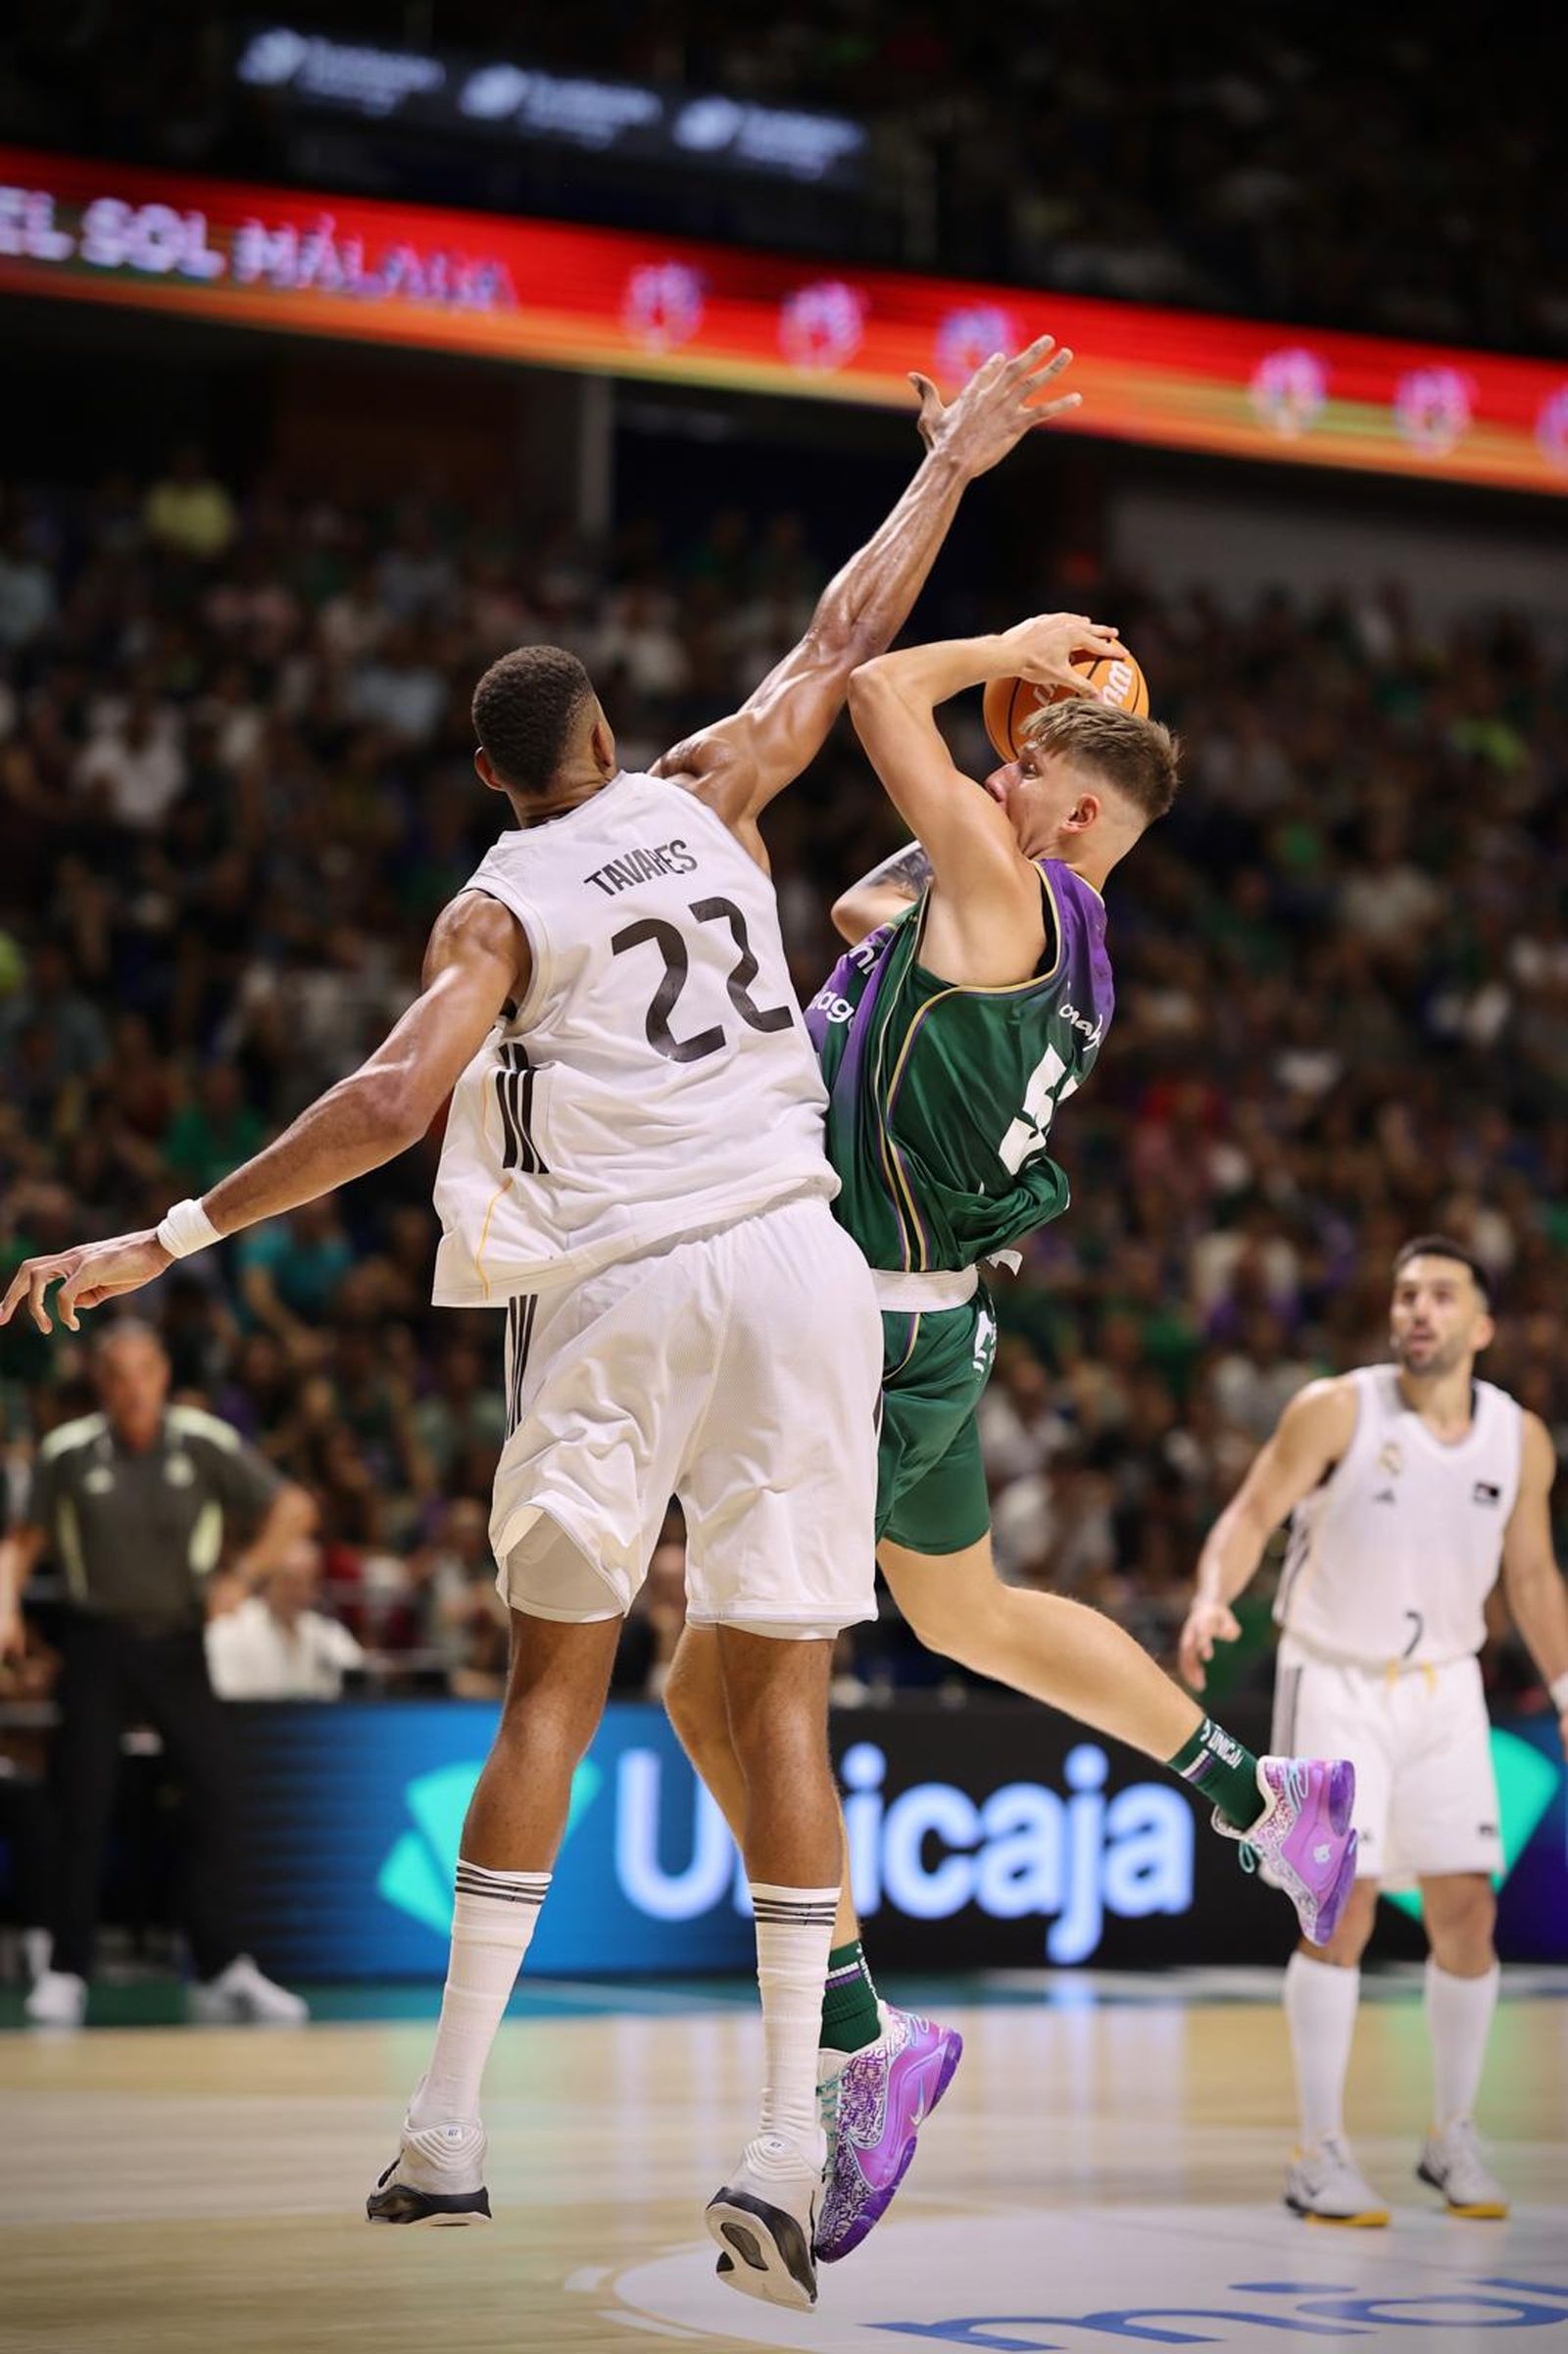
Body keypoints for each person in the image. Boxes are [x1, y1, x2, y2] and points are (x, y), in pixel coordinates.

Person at [0, 338, 1077, 2312]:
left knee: (551, 1700)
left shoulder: (495, 901)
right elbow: (842, 636)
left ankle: (446, 2132)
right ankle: (785, 2137)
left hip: (625, 1283)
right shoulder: (708, 790)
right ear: (604, 730)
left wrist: (171, 1227)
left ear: (496, 776)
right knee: (777, 1702)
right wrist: (951, 462)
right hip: (800, 1258)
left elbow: (389, 1104)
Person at [663, 619, 1358, 2263]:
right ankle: (1262, 1793)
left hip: (859, 1328)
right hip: (923, 1315)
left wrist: (1006, 652)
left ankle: (858, 2042)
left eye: (1028, 761)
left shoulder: (1005, 894)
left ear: (1082, 820)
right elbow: (853, 914)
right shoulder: (1045, 923)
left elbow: (865, 690)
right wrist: (1028, 750)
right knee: (961, 1618)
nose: (999, 765)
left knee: (729, 1690)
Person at [1179, 1235, 1568, 2225]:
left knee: (1466, 1912)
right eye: (1403, 1295)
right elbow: (1252, 1509)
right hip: (1336, 1679)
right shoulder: (1337, 1408)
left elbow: (1529, 1574)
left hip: (1444, 1684)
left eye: (1440, 1295)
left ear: (1480, 1325)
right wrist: (1211, 1597)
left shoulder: (1518, 1436)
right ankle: (1317, 2148)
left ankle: (1451, 2135)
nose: (1416, 1311)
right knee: (1339, 1911)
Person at [0, 1322, 316, 2027]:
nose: (131, 1386)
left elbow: (294, 1508)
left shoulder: (202, 1441)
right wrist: (5, 1602)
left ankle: (223, 1964)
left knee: (218, 1796)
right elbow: (23, 1541)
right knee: (80, 1803)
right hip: (97, 1641)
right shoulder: (68, 1451)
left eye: (143, 1370)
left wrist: (243, 1574)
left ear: (164, 1374)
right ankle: (65, 1970)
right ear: (99, 1381)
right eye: (116, 1373)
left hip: (179, 1640)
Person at [206, 1537, 367, 1700]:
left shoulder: (327, 1634)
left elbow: (362, 1680)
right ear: (267, 1581)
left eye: (307, 1581)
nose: (298, 1592)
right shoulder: (229, 1632)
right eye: (288, 1581)